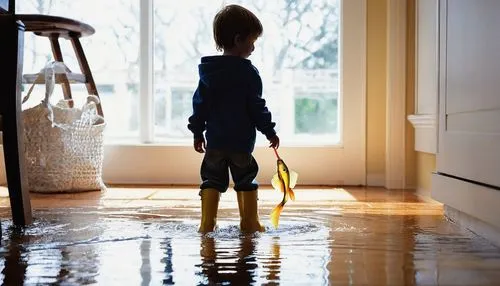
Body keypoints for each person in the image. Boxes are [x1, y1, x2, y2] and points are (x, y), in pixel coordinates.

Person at [187, 4, 279, 233]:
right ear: (239, 40)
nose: (253, 48)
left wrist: (197, 132)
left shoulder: (209, 74)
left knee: (211, 180)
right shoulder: (248, 73)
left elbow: (199, 105)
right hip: (240, 144)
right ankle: (249, 222)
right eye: (252, 41)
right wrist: (269, 131)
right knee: (245, 179)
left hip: (215, 143)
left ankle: (207, 223)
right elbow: (257, 107)